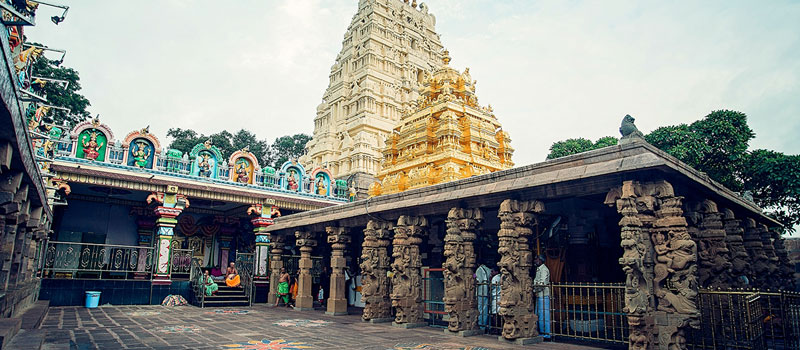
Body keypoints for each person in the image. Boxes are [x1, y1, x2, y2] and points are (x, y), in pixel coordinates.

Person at [533, 255, 551, 338]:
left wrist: (535, 289)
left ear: (540, 260)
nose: (535, 260)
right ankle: (541, 332)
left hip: (543, 294)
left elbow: (542, 283)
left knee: (544, 315)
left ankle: (546, 333)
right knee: (539, 314)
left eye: (536, 259)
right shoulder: (539, 269)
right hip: (539, 295)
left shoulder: (544, 269)